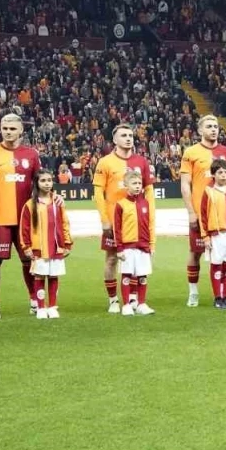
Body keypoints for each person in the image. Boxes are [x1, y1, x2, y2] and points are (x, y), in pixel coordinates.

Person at [0, 113, 41, 318]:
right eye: (5, 128)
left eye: (12, 129)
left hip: (25, 220)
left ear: (21, 130)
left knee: (29, 259)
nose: (8, 132)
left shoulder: (31, 154)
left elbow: (40, 183)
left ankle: (35, 301)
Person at [93, 123, 154, 313]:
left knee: (136, 258)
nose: (128, 138)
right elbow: (98, 192)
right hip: (114, 221)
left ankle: (134, 298)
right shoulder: (105, 162)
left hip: (137, 221)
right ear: (114, 140)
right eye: (123, 135)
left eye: (130, 135)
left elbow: (149, 190)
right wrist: (104, 219)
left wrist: (150, 215)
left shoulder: (141, 161)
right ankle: (113, 300)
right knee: (112, 259)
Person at [179, 114, 226, 308]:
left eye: (216, 126)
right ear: (200, 130)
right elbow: (185, 184)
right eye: (209, 126)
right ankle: (193, 292)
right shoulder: (191, 152)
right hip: (201, 214)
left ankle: (223, 294)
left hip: (224, 216)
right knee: (195, 252)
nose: (213, 129)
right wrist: (191, 212)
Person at [19, 168, 72, 319]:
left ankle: (53, 307)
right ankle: (41, 307)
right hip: (39, 248)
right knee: (39, 277)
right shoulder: (30, 204)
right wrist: (26, 247)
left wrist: (67, 243)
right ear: (36, 183)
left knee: (54, 276)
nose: (47, 183)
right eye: (43, 180)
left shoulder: (58, 202)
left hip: (56, 247)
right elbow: (24, 227)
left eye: (49, 180)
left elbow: (65, 223)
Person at [200, 158, 226, 309]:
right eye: (220, 172)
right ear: (213, 174)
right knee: (217, 265)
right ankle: (218, 297)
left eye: (225, 172)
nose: (223, 175)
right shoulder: (208, 191)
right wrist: (205, 237)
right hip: (216, 235)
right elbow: (203, 216)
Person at [114, 168, 156, 316]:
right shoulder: (121, 204)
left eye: (139, 183)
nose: (138, 186)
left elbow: (150, 225)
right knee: (126, 275)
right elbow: (117, 228)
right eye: (134, 183)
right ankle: (126, 305)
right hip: (127, 247)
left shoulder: (145, 203)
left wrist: (152, 244)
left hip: (143, 246)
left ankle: (141, 304)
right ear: (126, 185)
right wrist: (119, 248)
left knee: (142, 277)